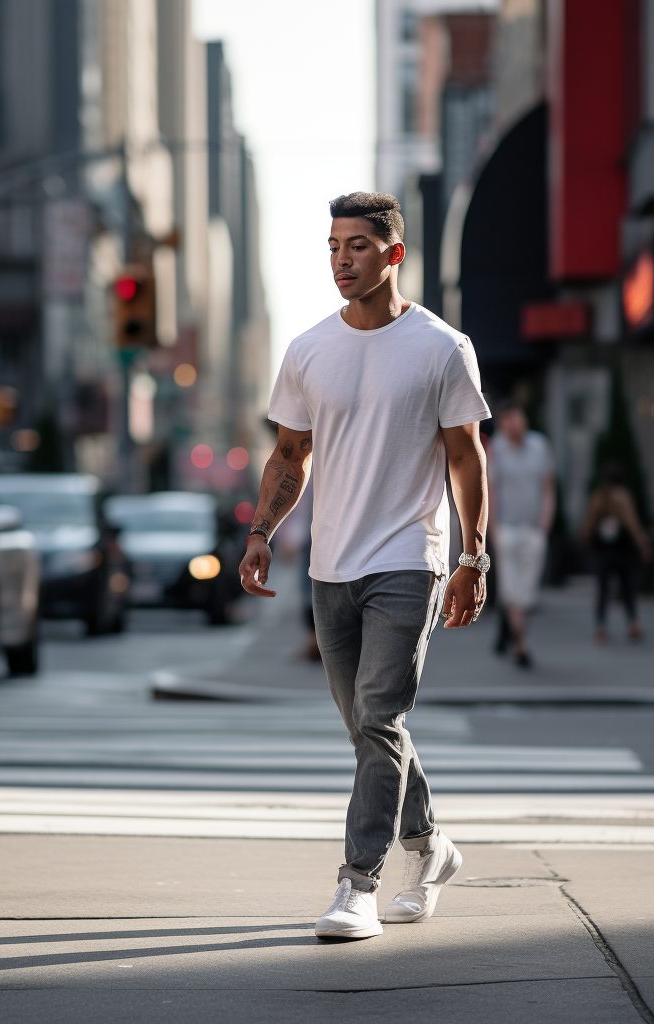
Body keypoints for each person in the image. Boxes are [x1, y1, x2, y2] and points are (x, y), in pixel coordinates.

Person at [239, 191, 490, 941]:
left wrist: (473, 557)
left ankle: (358, 884)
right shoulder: (310, 348)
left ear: (393, 254)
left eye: (356, 246)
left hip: (409, 557)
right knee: (367, 728)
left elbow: (465, 458)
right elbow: (290, 454)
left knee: (380, 717)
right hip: (331, 564)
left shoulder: (443, 347)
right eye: (333, 247)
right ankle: (431, 845)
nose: (342, 260)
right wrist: (259, 533)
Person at [487, 400, 554, 667]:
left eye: (518, 418)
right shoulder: (497, 450)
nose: (515, 425)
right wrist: (493, 531)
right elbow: (491, 492)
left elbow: (547, 488)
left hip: (532, 529)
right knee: (512, 590)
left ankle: (510, 634)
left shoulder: (539, 446)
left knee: (524, 591)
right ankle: (520, 644)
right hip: (507, 529)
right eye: (509, 420)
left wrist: (544, 524)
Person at [579, 461, 652, 643]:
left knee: (603, 590)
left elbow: (588, 524)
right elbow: (633, 523)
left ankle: (601, 626)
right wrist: (643, 545)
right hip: (622, 549)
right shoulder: (623, 496)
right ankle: (632, 622)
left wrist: (585, 543)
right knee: (627, 587)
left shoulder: (597, 497)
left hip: (603, 550)